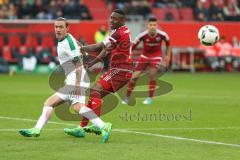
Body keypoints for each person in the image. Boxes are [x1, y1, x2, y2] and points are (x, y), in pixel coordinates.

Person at [19, 17, 111, 143]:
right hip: (73, 79)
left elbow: (78, 64)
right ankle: (36, 129)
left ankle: (103, 126)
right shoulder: (67, 39)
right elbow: (78, 47)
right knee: (51, 103)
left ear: (67, 28)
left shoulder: (68, 43)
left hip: (76, 80)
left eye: (61, 27)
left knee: (75, 107)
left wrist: (78, 85)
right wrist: (82, 51)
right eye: (56, 27)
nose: (57, 29)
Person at [64, 9, 132, 136]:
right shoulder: (120, 31)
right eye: (111, 17)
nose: (111, 20)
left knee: (95, 90)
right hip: (121, 70)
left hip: (120, 70)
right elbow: (106, 50)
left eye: (115, 18)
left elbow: (98, 47)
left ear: (122, 20)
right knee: (95, 95)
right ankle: (81, 128)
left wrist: (80, 47)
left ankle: (99, 125)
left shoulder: (118, 33)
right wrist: (91, 63)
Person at [122, 16, 171, 105]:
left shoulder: (163, 35)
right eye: (151, 25)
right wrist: (129, 55)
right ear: (147, 26)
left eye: (154, 25)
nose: (152, 26)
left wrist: (168, 55)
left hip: (156, 56)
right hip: (144, 56)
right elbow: (133, 46)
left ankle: (149, 98)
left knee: (152, 74)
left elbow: (168, 44)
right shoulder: (142, 35)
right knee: (134, 77)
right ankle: (127, 98)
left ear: (157, 26)